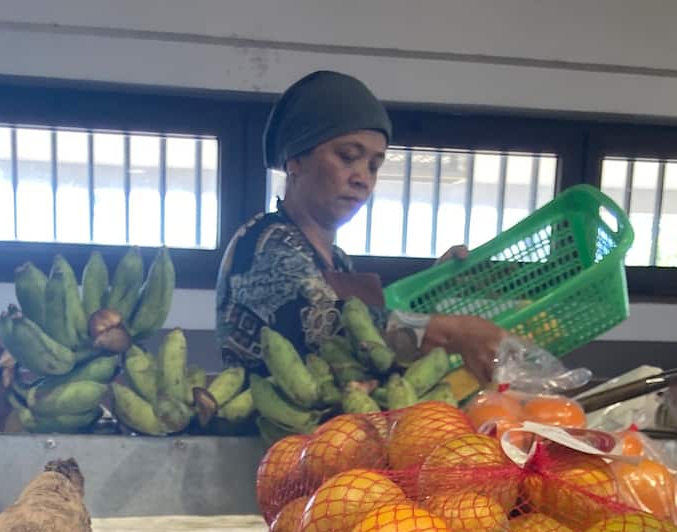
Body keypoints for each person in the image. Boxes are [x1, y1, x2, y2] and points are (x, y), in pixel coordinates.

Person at [216, 70, 505, 383]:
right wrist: (450, 330)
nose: (362, 178)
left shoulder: (337, 259)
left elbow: (374, 340)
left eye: (373, 166)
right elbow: (333, 329)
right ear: (294, 160)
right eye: (348, 157)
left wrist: (432, 289)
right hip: (275, 429)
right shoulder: (265, 243)